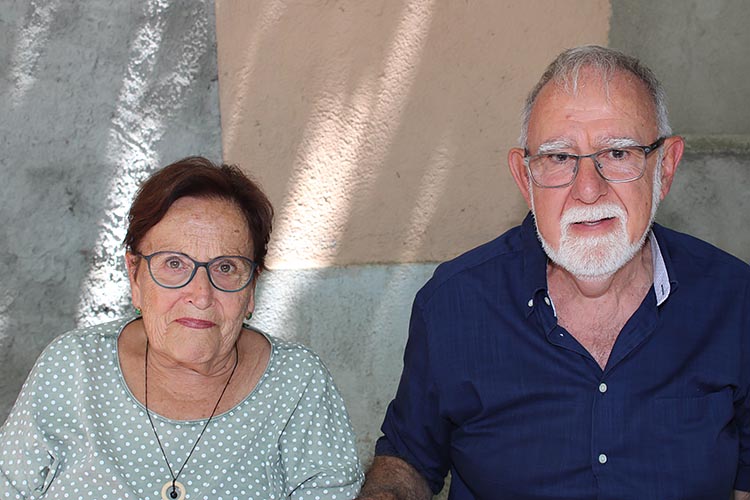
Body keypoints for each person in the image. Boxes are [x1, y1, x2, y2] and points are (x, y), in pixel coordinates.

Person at [357, 45, 750, 499]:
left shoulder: (734, 302)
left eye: (617, 152)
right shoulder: (455, 302)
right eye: (560, 158)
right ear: (525, 178)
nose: (588, 190)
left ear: (665, 167)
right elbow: (407, 459)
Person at [0, 157, 363, 499]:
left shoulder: (297, 383)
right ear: (135, 276)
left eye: (225, 267)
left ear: (251, 287)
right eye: (174, 263)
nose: (201, 295)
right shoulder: (73, 367)